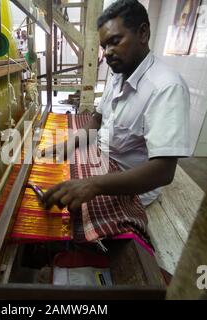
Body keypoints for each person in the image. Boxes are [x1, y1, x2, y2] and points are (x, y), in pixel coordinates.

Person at [41, 0, 191, 213]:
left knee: (67, 212)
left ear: (143, 33)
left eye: (115, 41)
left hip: (129, 187)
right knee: (47, 178)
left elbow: (163, 171)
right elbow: (98, 117)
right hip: (101, 163)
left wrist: (93, 185)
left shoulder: (166, 88)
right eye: (104, 46)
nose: (108, 52)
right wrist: (71, 143)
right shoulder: (119, 74)